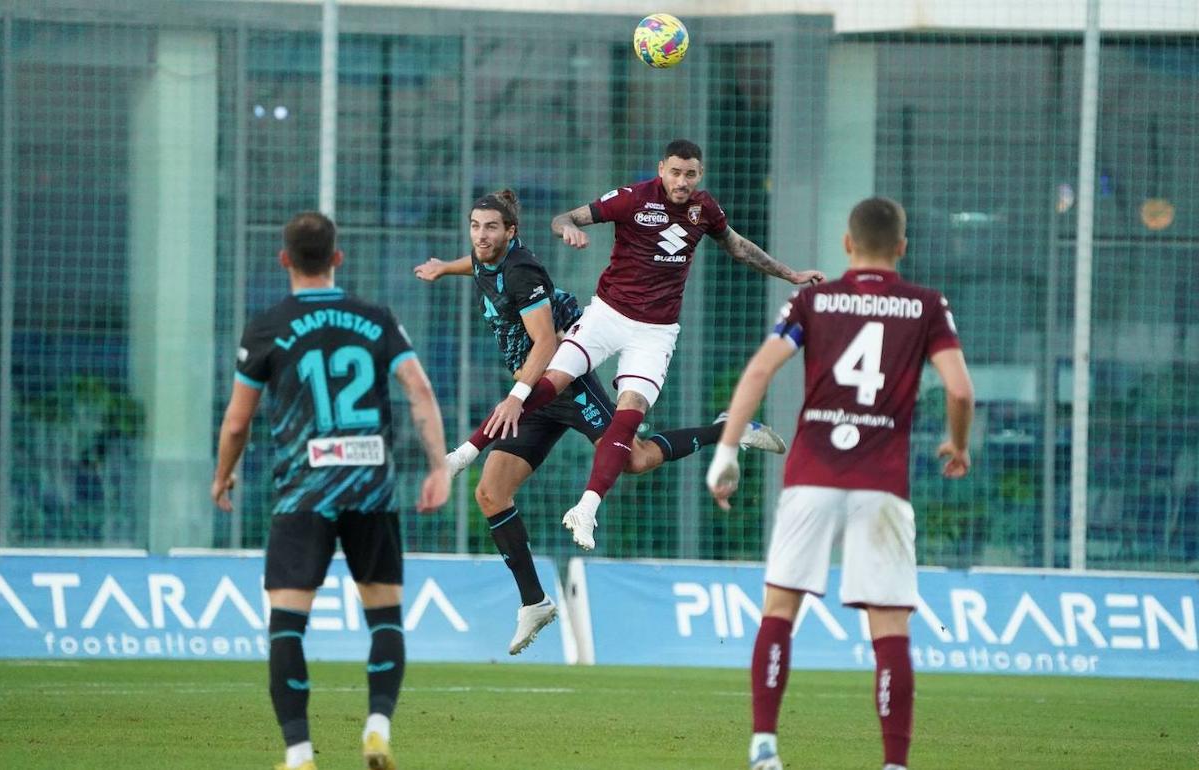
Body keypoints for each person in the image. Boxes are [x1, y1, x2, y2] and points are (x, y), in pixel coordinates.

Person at [413, 189, 787, 654]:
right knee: (490, 493)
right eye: (475, 226)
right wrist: (444, 268)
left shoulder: (522, 271)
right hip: (531, 393)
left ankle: (729, 429)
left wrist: (518, 395)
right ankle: (535, 602)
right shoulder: (487, 256)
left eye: (490, 227)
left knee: (635, 460)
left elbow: (546, 344)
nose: (480, 236)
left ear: (511, 232)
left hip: (558, 385)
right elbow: (477, 263)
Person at [443, 140, 825, 550]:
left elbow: (737, 245)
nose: (682, 181)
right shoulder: (631, 199)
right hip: (606, 316)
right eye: (675, 172)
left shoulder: (705, 210)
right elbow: (564, 217)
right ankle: (463, 455)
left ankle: (587, 508)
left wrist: (790, 274)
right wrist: (568, 228)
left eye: (690, 174)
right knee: (549, 382)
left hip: (655, 332)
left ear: (700, 175)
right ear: (661, 170)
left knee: (630, 418)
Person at [705, 197, 975, 770]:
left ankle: (763, 748)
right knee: (889, 626)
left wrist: (726, 451)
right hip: (881, 484)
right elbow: (959, 390)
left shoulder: (814, 299)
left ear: (847, 244)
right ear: (901, 247)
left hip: (812, 475)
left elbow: (760, 369)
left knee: (780, 609)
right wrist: (958, 444)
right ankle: (895, 763)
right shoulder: (927, 305)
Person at [211, 211, 449, 770]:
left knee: (287, 625)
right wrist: (438, 467)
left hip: (304, 495)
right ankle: (377, 730)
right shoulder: (376, 318)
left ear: (284, 260)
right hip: (371, 492)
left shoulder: (267, 327)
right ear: (338, 258)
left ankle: (299, 754)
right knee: (384, 617)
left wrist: (223, 475)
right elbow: (418, 389)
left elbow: (238, 423)